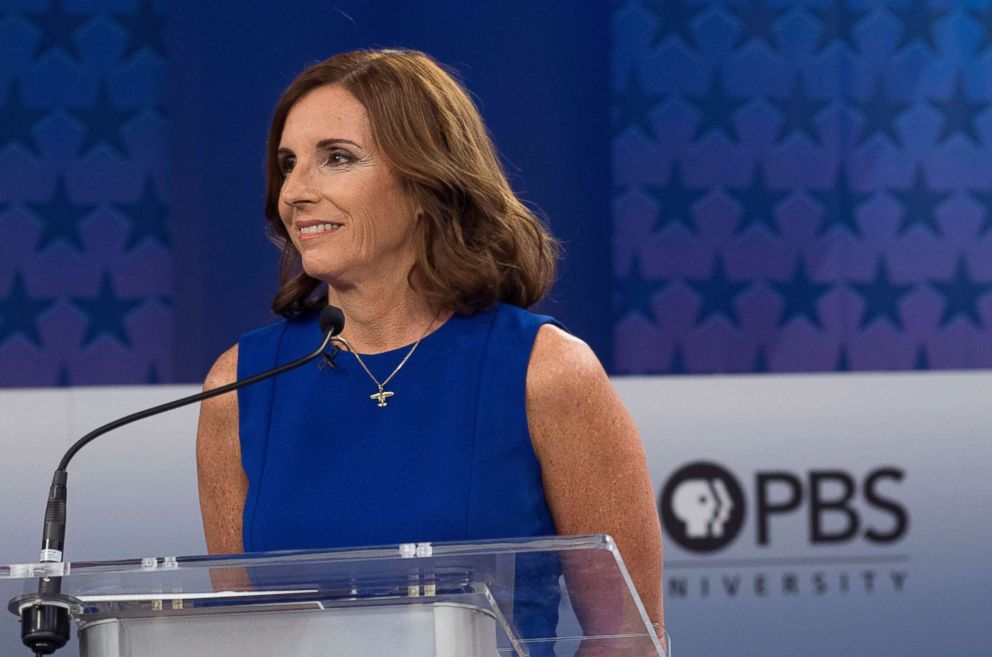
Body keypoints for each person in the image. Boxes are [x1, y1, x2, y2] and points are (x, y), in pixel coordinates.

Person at [195, 48, 664, 640]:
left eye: (336, 158)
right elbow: (241, 641)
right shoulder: (240, 385)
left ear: (425, 184)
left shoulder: (545, 373)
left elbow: (627, 642)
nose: (295, 192)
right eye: (288, 164)